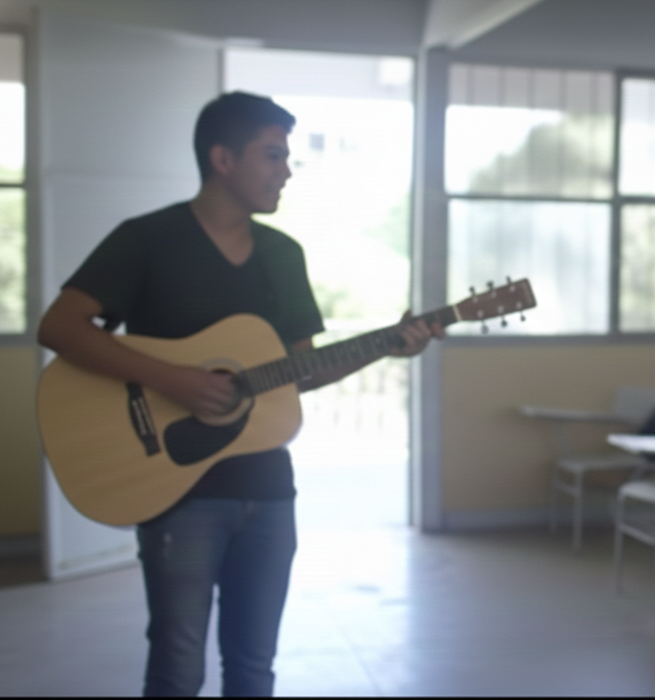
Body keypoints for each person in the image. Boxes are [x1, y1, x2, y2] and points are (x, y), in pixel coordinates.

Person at [37, 91, 443, 696]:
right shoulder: (147, 239)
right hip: (174, 489)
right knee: (177, 666)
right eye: (273, 155)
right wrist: (176, 380)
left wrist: (388, 343)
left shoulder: (283, 255)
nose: (286, 171)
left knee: (254, 666)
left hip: (269, 492)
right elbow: (59, 327)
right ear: (223, 159)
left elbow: (300, 371)